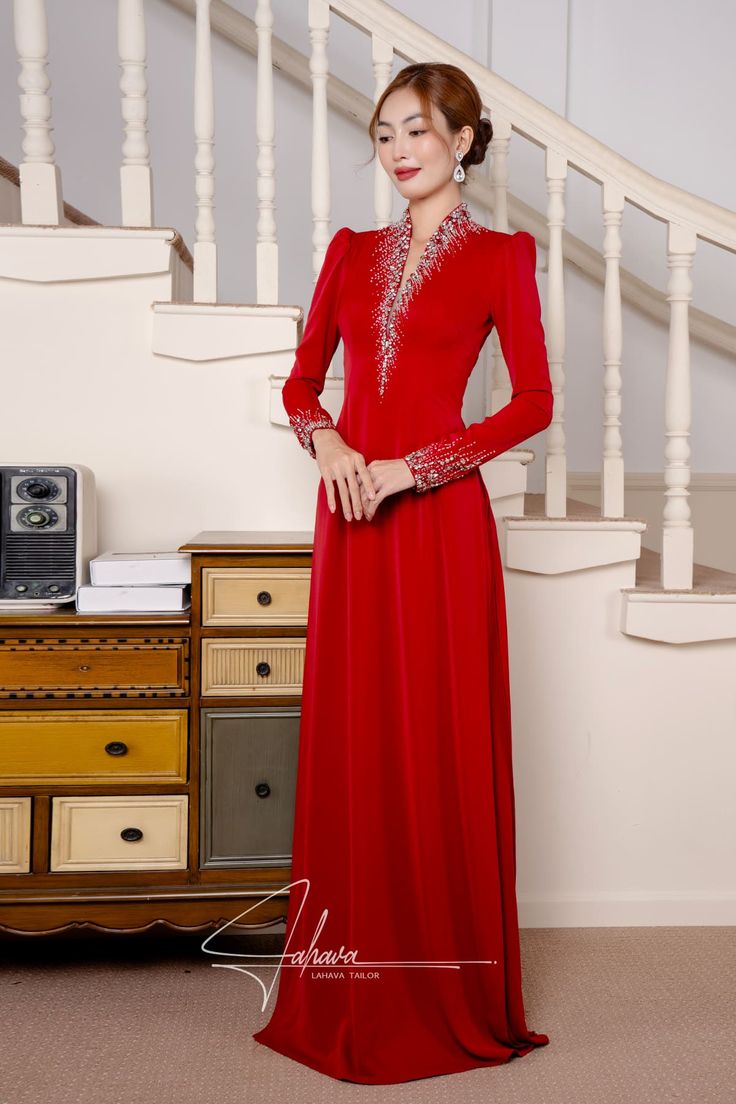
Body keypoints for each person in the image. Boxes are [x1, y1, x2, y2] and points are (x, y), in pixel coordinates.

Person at [252, 61, 553, 1084]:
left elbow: (531, 404)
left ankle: (447, 990)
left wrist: (414, 467)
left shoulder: (504, 257)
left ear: (462, 141)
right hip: (350, 520)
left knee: (437, 736)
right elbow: (300, 382)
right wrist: (332, 446)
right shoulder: (350, 252)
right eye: (383, 135)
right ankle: (351, 982)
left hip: (436, 524)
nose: (398, 151)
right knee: (357, 736)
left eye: (417, 131)